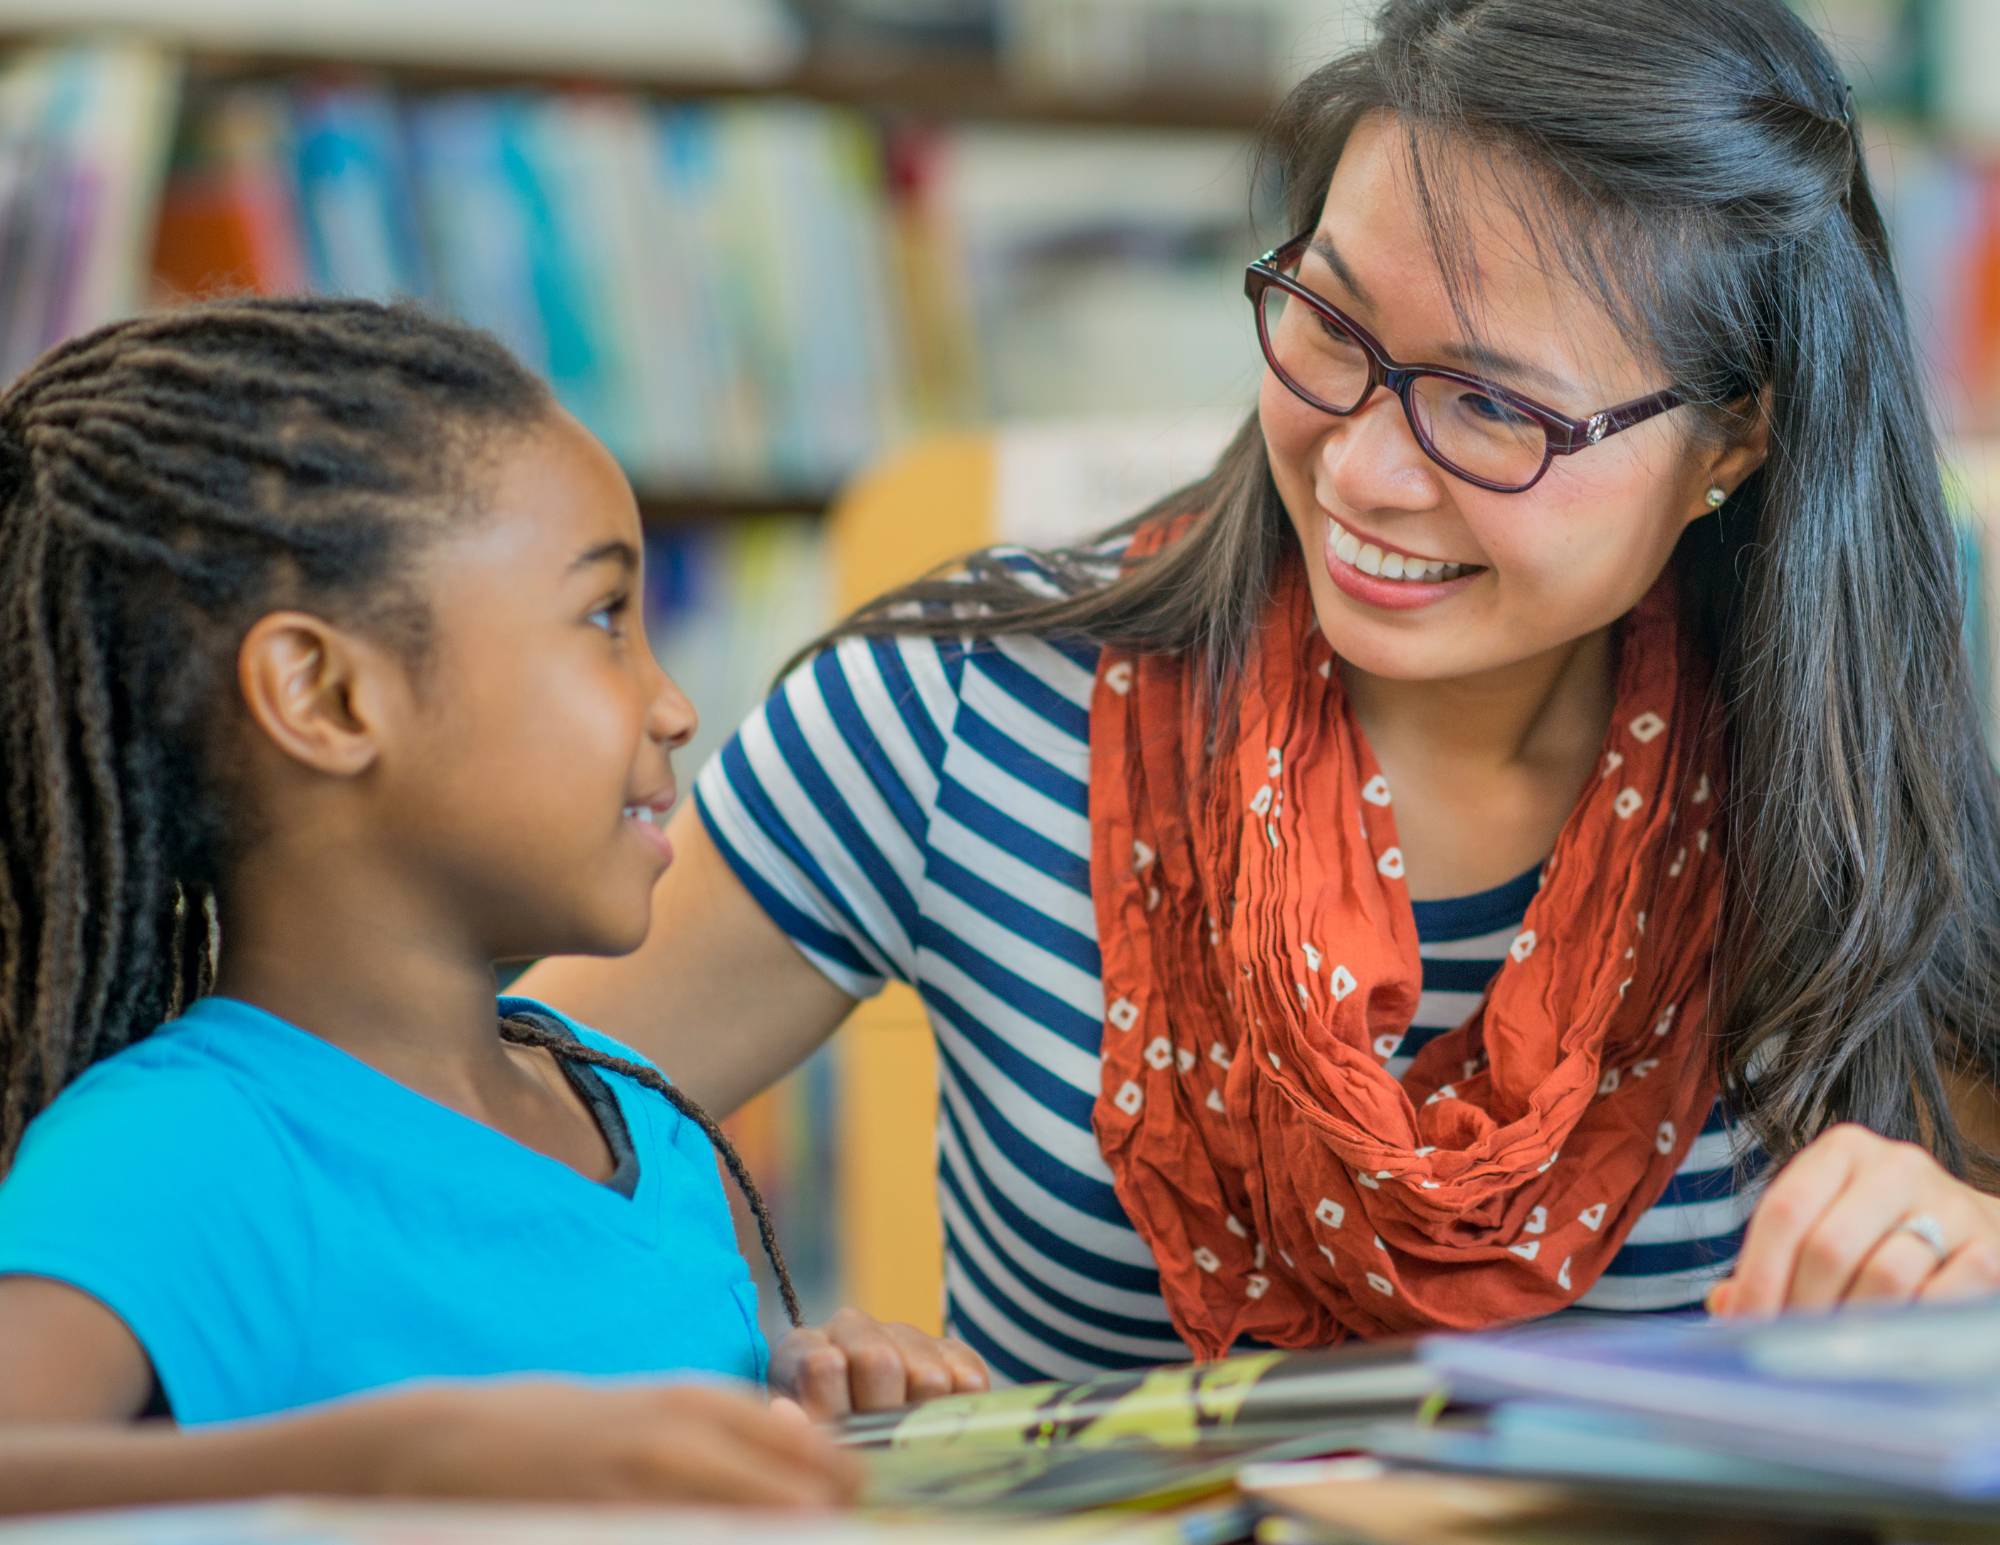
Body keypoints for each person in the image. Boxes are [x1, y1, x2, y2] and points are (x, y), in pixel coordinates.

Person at [523, 0, 2000, 1383]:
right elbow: (446, 1177)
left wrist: (1967, 1272)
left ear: (1733, 439)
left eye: (1492, 405)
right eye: (1331, 325)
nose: (1358, 467)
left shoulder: (1849, 782)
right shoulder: (955, 714)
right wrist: (726, 1363)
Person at [0, 297, 984, 1517]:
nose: (673, 706)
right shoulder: (179, 1150)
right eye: (603, 619)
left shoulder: (645, 1118)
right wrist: (396, 1467)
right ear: (327, 697)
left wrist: (816, 1433)